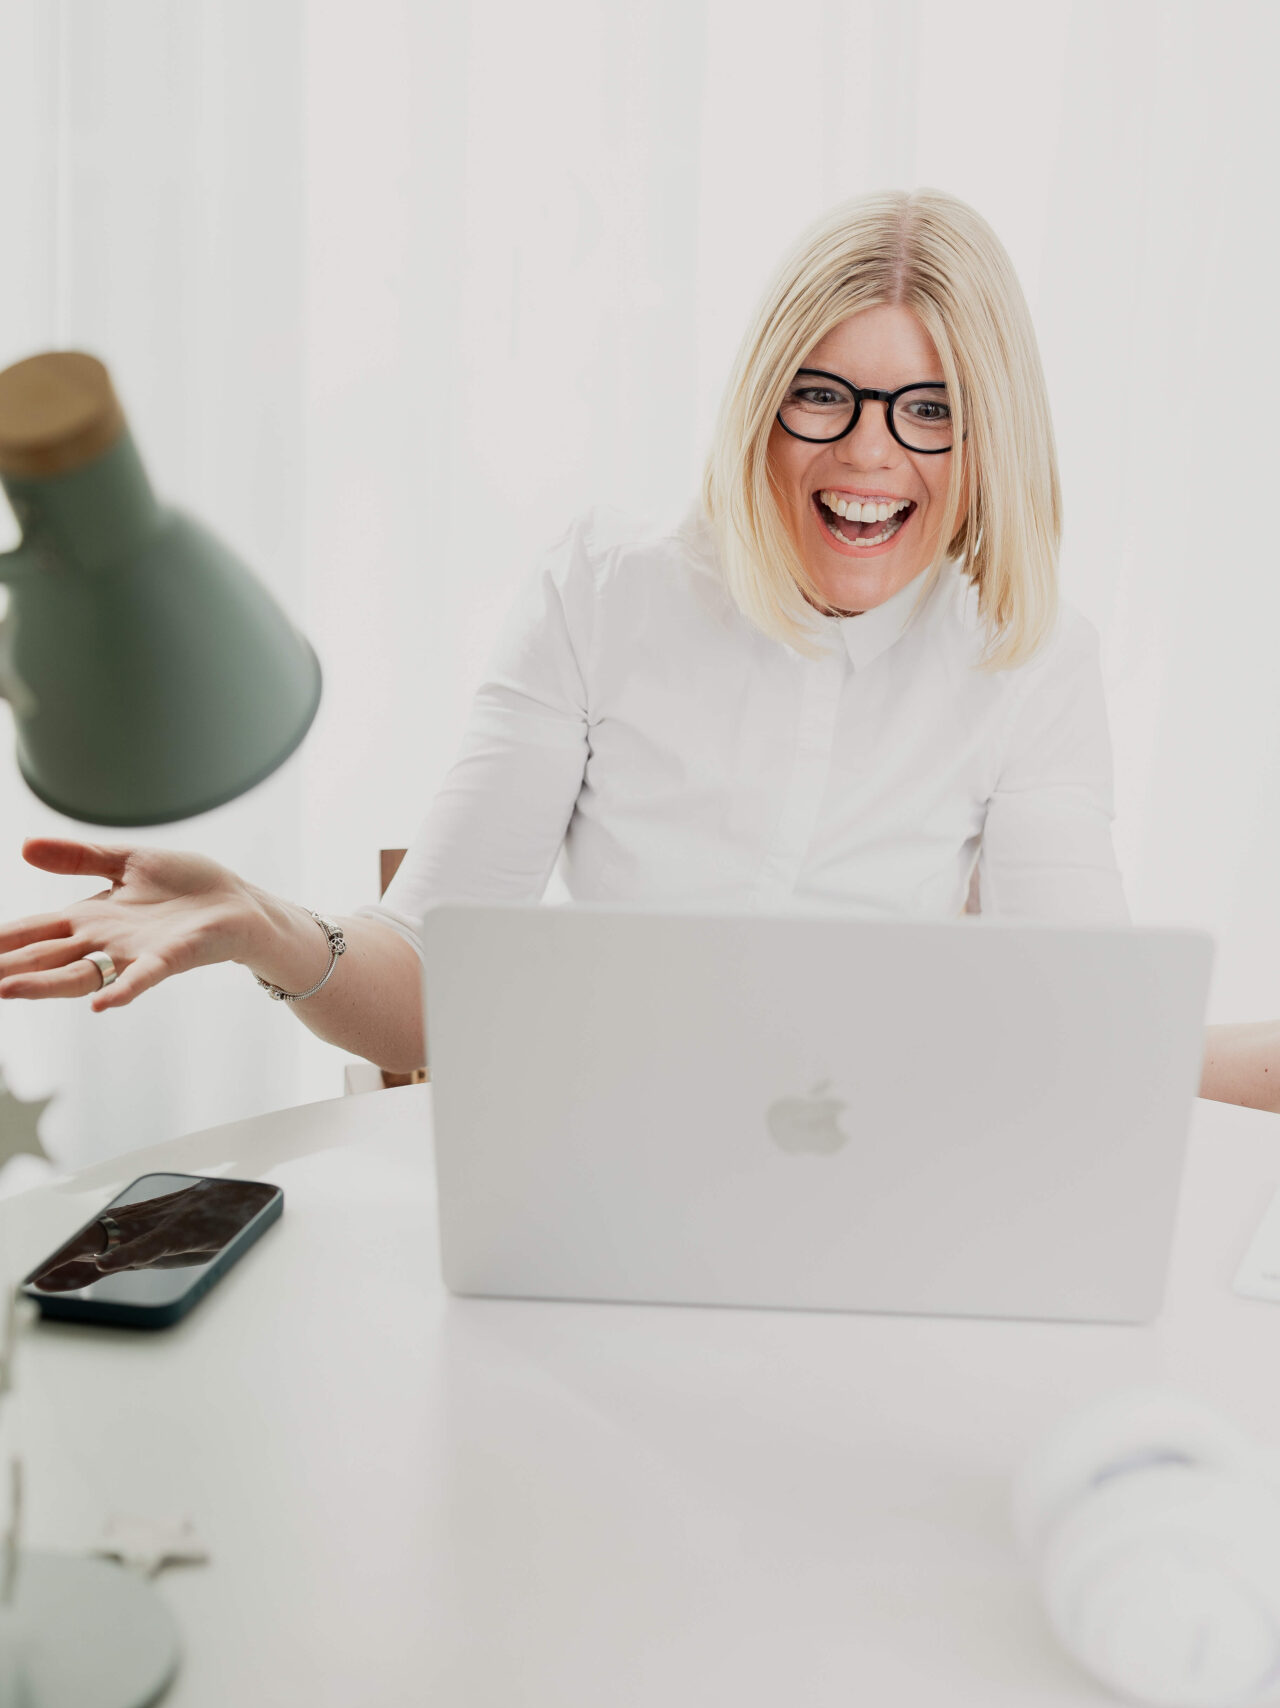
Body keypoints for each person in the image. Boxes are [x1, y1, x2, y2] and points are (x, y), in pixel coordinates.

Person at [0, 190, 1274, 1109]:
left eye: (929, 409)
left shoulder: (1027, 659)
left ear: (986, 437)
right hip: (600, 1185)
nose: (869, 453)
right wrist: (262, 927)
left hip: (882, 1199)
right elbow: (432, 977)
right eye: (820, 395)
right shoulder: (603, 590)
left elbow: (1092, 1041)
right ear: (760, 401)